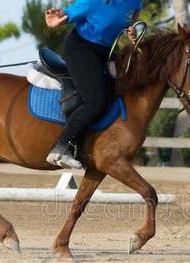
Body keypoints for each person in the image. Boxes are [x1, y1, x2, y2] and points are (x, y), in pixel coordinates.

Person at [44, 0, 143, 169]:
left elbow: (131, 20)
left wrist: (132, 34)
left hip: (106, 51)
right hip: (81, 49)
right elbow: (57, 20)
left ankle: (99, 147)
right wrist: (55, 18)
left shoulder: (136, 2)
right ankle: (60, 147)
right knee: (96, 101)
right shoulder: (91, 1)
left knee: (120, 91)